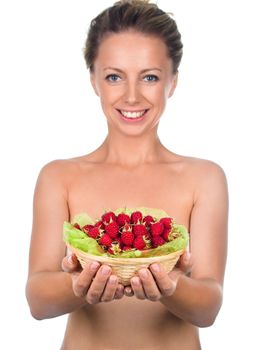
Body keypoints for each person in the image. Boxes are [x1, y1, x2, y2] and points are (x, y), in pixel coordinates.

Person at [25, 1, 228, 349]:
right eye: (114, 76)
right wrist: (78, 286)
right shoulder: (59, 177)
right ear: (94, 80)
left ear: (173, 82)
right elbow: (38, 301)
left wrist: (171, 286)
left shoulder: (204, 179)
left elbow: (209, 307)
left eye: (150, 77)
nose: (132, 96)